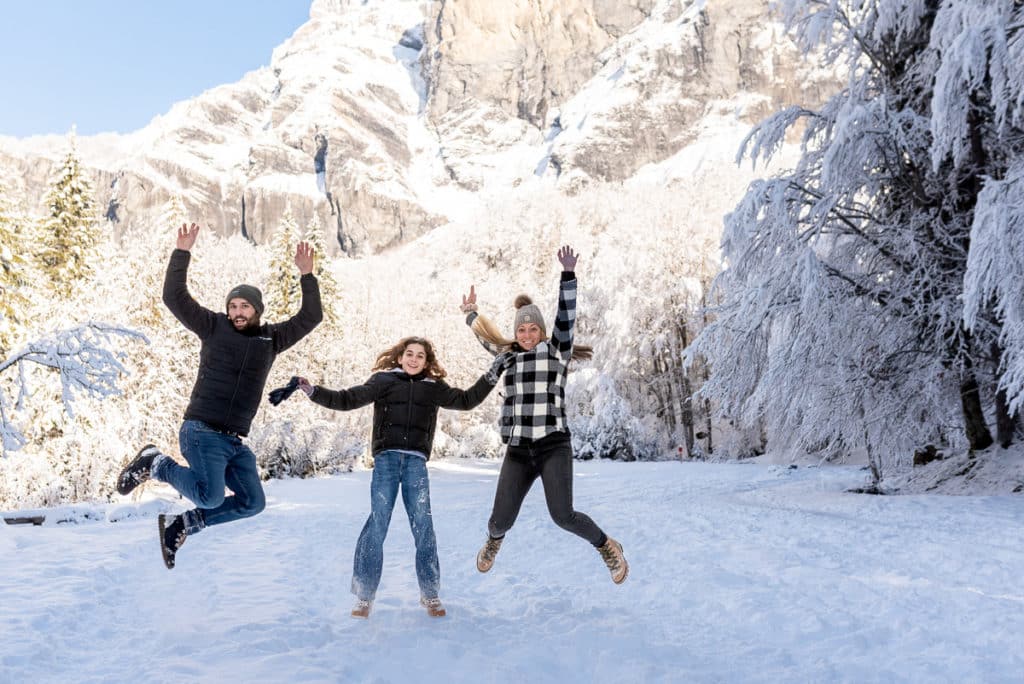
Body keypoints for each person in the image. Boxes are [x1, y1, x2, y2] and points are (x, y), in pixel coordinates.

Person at [116, 222, 323, 569]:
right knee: (210, 496)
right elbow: (174, 297)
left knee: (252, 502)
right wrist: (182, 252)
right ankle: (156, 463)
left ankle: (183, 524)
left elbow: (311, 316)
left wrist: (307, 275)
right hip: (201, 431)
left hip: (234, 442)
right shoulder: (213, 326)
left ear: (257, 310)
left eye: (244, 307)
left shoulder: (271, 339)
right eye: (233, 306)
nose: (237, 312)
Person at [283, 337, 512, 618]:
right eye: (410, 354)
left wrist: (493, 374)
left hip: (415, 463)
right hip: (387, 460)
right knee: (378, 522)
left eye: (420, 356)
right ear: (400, 357)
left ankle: (430, 593)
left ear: (427, 362)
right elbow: (348, 398)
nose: (414, 359)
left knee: (423, 525)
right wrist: (313, 390)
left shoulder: (433, 388)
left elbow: (466, 401)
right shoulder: (383, 381)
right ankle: (364, 596)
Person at [459, 245, 629, 584]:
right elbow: (487, 339)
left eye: (532, 330)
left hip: (553, 447)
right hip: (519, 451)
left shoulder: (556, 352)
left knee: (563, 515)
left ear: (540, 331)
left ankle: (607, 546)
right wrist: (470, 314)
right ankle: (493, 543)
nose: (525, 335)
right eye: (520, 330)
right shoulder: (508, 356)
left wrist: (568, 277)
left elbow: (565, 318)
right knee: (498, 522)